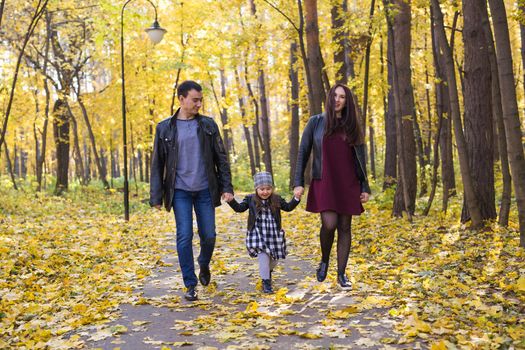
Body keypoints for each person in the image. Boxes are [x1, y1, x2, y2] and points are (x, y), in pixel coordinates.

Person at [150, 80, 234, 301]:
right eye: (195, 99)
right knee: (184, 236)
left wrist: (227, 187)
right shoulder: (164, 128)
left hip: (205, 189)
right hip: (180, 192)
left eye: (200, 100)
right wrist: (156, 196)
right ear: (182, 99)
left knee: (209, 235)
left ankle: (204, 263)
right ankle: (190, 284)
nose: (199, 104)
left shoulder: (208, 125)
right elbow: (157, 163)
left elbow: (221, 158)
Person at [293, 83, 370, 290]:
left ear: (347, 102)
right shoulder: (316, 122)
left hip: (348, 182)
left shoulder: (352, 125)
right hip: (324, 180)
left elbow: (361, 158)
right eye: (335, 95)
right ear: (329, 98)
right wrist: (298, 182)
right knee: (329, 224)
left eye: (342, 97)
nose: (337, 100)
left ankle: (341, 274)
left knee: (345, 227)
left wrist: (365, 186)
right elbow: (303, 152)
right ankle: (324, 259)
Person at [226, 172, 301, 294]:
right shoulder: (250, 199)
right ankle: (266, 283)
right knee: (263, 257)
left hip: (273, 234)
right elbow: (239, 208)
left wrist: (296, 198)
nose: (265, 192)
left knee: (274, 259)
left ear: (272, 188)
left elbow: (288, 207)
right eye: (262, 189)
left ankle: (267, 271)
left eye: (268, 189)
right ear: (256, 189)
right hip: (258, 234)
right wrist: (231, 201)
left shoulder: (276, 199)